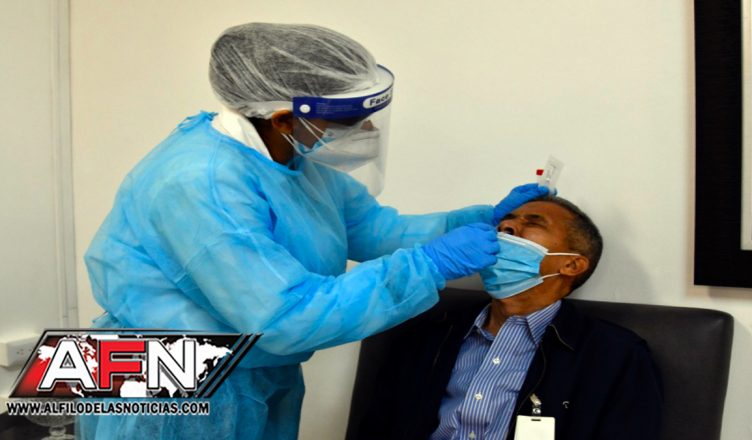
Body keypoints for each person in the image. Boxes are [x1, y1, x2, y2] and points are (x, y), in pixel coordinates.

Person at [77, 23, 549, 440]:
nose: (366, 128)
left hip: (249, 370)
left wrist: (474, 222)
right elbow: (286, 316)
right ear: (285, 118)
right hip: (171, 381)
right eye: (348, 120)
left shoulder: (292, 158)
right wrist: (431, 264)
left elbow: (374, 229)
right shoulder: (203, 183)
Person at [345, 196, 663, 440]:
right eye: (506, 221)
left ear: (571, 264)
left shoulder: (615, 356)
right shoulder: (427, 335)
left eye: (533, 223)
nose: (506, 228)